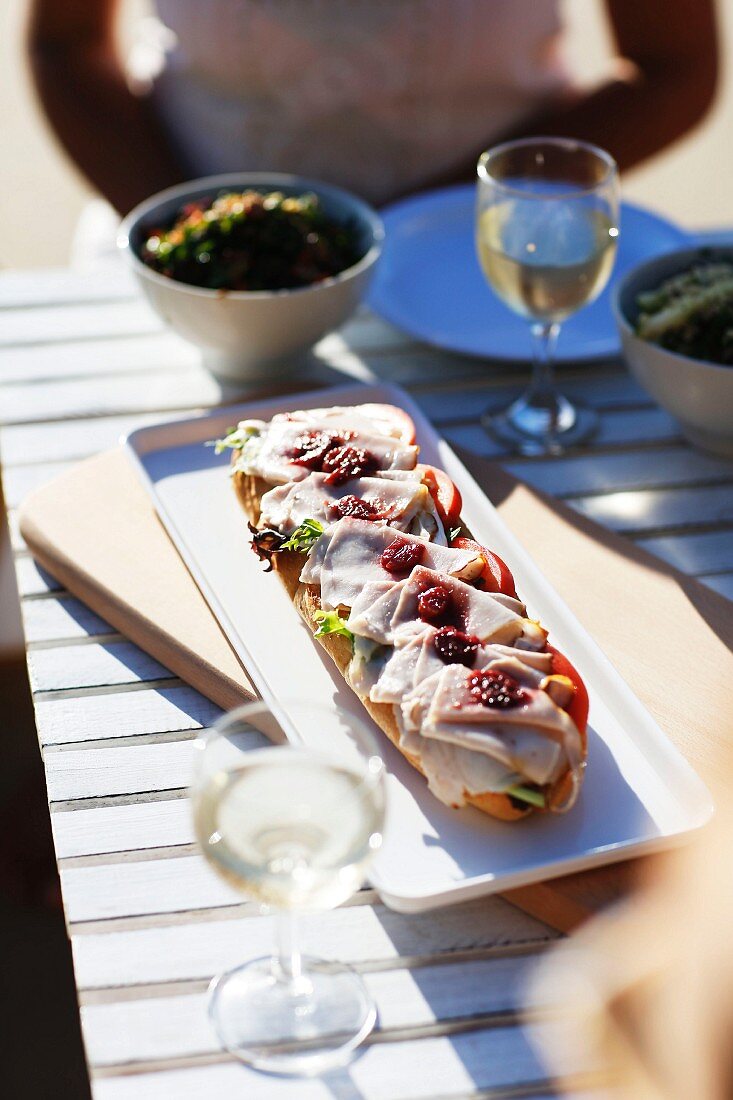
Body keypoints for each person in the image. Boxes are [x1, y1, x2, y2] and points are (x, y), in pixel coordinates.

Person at [28, 0, 718, 216]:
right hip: (186, 262)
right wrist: (191, 233)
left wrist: (430, 222)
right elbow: (65, 44)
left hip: (483, 266)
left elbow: (674, 68)